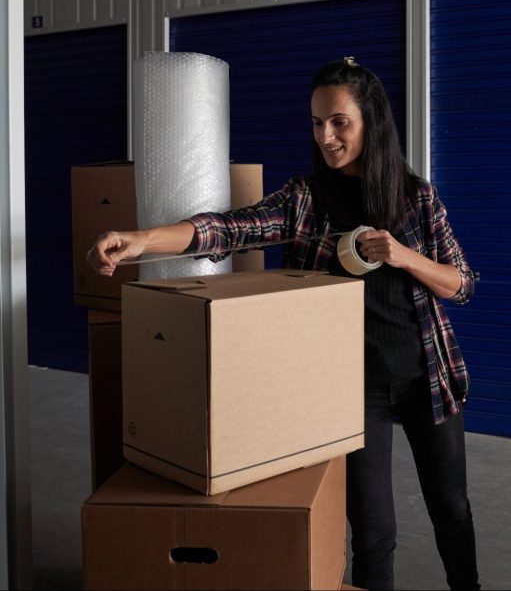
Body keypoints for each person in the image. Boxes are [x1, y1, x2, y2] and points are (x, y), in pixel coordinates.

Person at [87, 57, 481, 591]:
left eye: (340, 122)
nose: (326, 136)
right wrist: (141, 241)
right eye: (317, 123)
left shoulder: (416, 198)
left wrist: (404, 255)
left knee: (451, 508)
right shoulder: (305, 200)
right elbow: (227, 230)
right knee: (371, 530)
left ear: (371, 121)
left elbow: (462, 284)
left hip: (426, 376)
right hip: (350, 389)